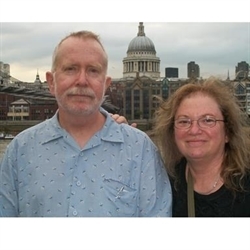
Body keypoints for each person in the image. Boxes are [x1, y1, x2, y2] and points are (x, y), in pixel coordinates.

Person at [0, 31, 172, 217]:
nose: (82, 81)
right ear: (51, 82)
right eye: (70, 69)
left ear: (106, 84)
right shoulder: (19, 150)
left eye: (93, 70)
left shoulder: (141, 149)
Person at [152, 77, 250, 217]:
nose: (194, 130)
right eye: (184, 121)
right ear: (172, 132)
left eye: (208, 120)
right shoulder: (165, 182)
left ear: (227, 132)